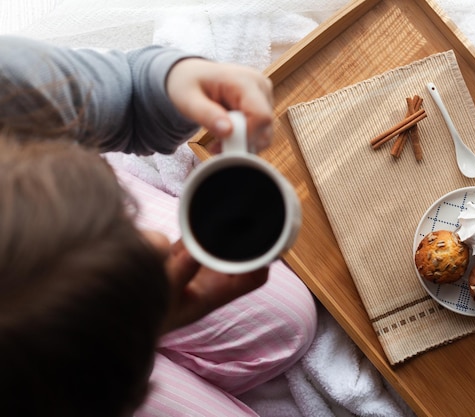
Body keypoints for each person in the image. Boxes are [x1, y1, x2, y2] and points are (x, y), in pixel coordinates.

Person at [0, 36, 317, 416]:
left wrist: (172, 84)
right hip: (61, 383)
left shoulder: (13, 87)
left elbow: (129, 90)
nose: (158, 242)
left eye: (125, 217)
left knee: (287, 321)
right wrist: (133, 339)